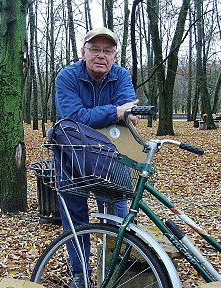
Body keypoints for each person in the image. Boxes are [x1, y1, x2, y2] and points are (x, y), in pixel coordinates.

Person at [54, 27, 138, 288]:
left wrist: (109, 116)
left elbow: (131, 114)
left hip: (111, 159)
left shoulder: (121, 76)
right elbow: (73, 117)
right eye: (95, 49)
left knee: (116, 216)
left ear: (114, 55)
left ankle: (113, 274)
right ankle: (80, 276)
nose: (101, 55)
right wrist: (116, 112)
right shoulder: (67, 77)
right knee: (75, 219)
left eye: (108, 50)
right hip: (72, 157)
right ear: (83, 52)